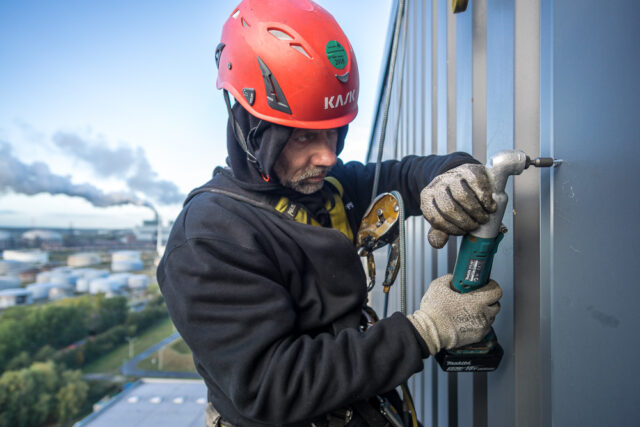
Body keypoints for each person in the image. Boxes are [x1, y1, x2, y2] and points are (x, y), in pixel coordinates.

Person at [157, 1, 502, 425]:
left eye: (335, 132)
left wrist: (452, 176)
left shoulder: (326, 187)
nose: (327, 155)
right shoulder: (210, 238)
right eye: (304, 137)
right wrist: (425, 331)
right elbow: (271, 387)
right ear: (251, 128)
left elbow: (405, 175)